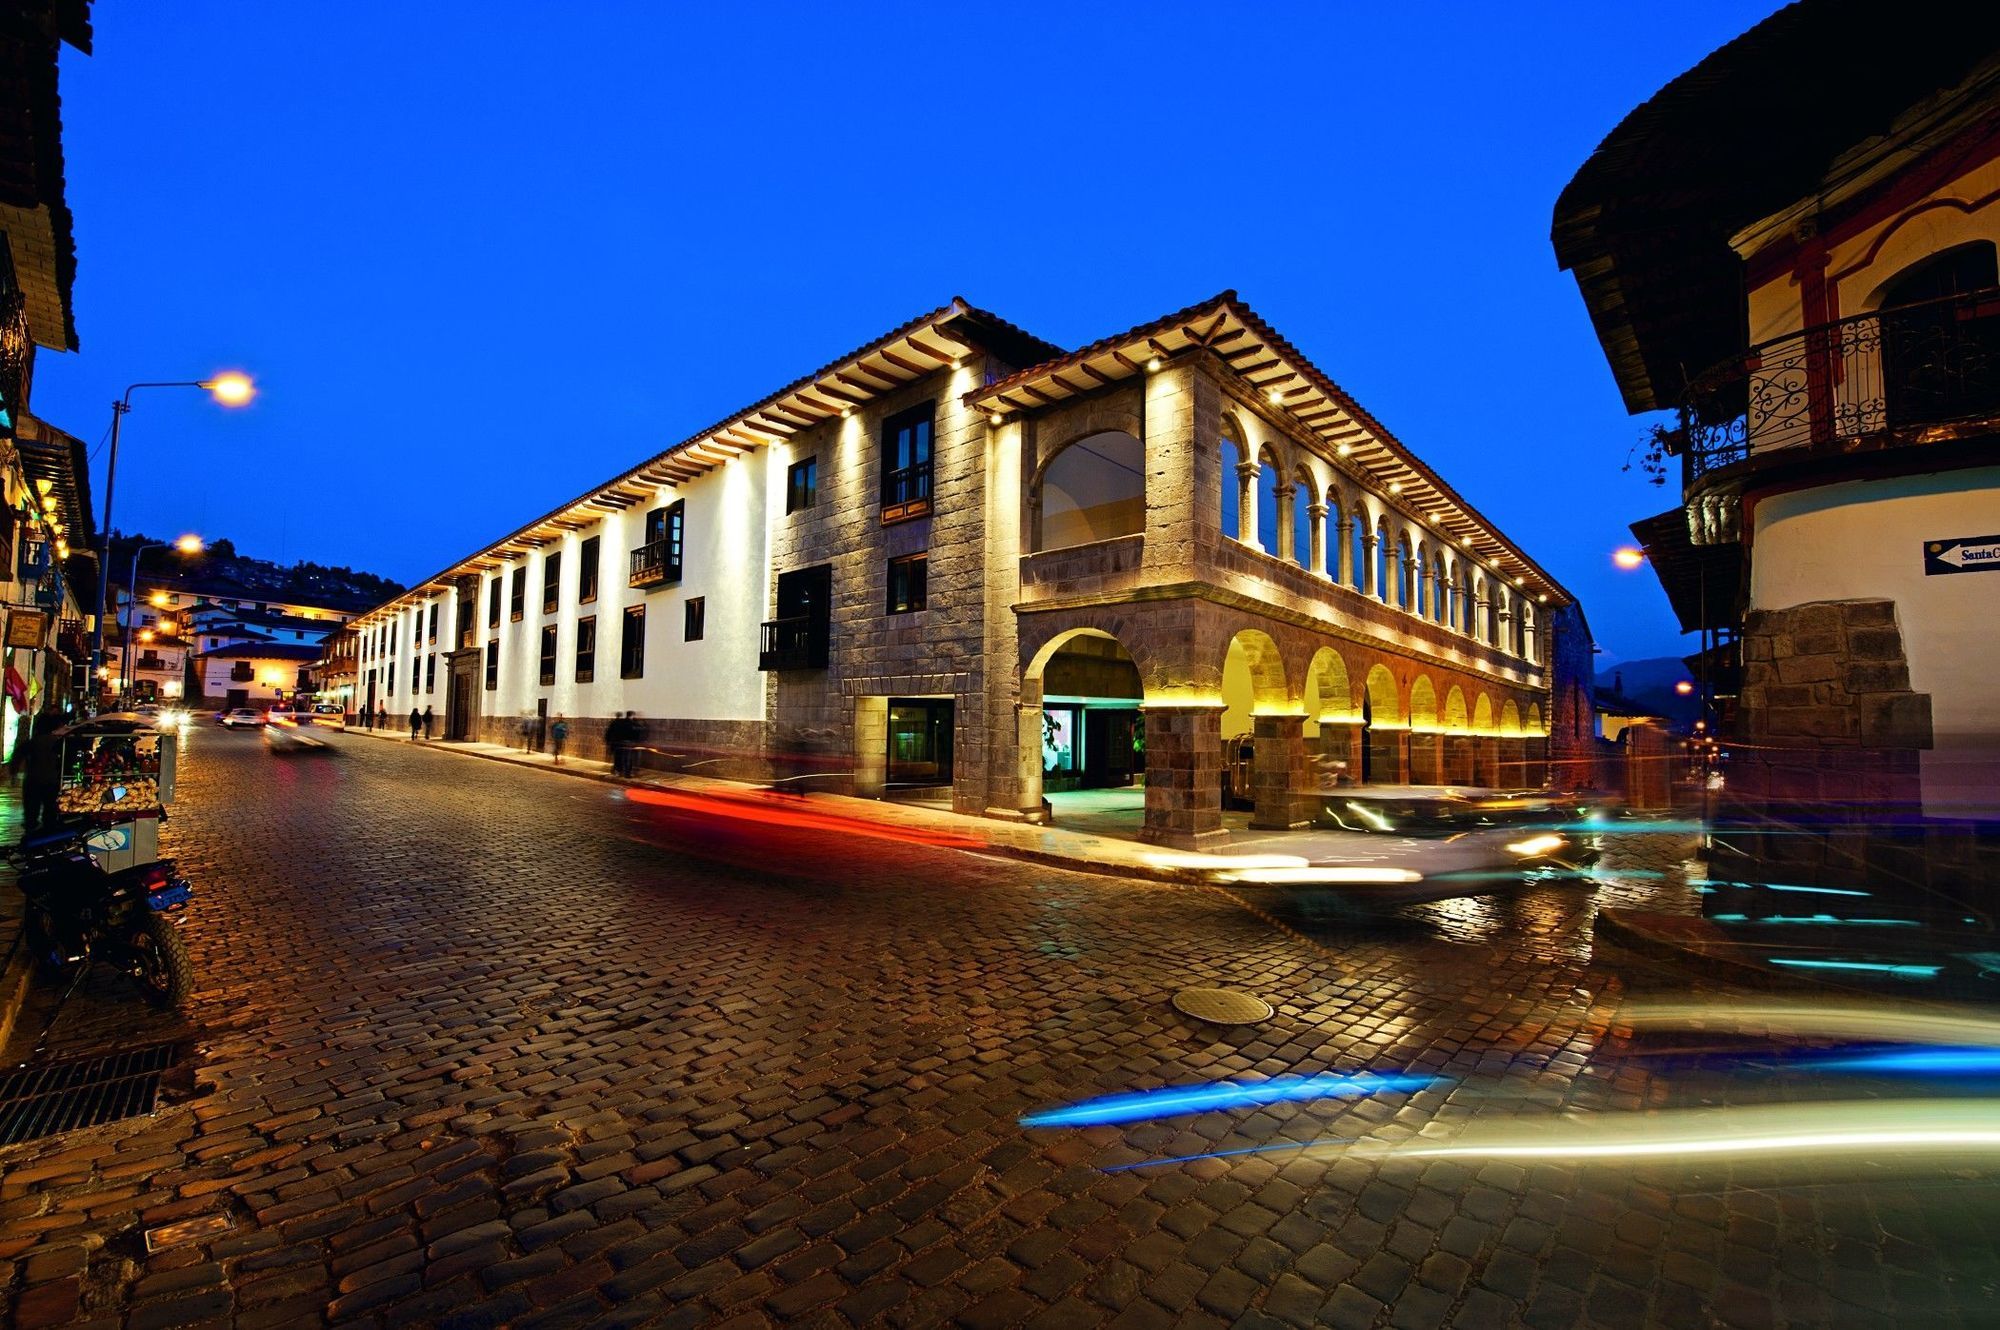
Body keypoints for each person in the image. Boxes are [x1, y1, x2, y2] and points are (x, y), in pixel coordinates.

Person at [21, 708, 65, 836]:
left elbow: (19, 755)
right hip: (50, 781)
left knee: (31, 812)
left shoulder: (34, 741)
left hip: (33, 780)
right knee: (49, 810)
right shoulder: (56, 741)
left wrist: (14, 770)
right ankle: (47, 836)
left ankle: (31, 836)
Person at [605, 711, 632, 777]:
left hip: (615, 743)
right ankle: (619, 770)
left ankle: (617, 770)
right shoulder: (623, 723)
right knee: (623, 757)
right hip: (621, 742)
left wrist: (608, 741)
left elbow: (608, 733)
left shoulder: (613, 723)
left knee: (617, 757)